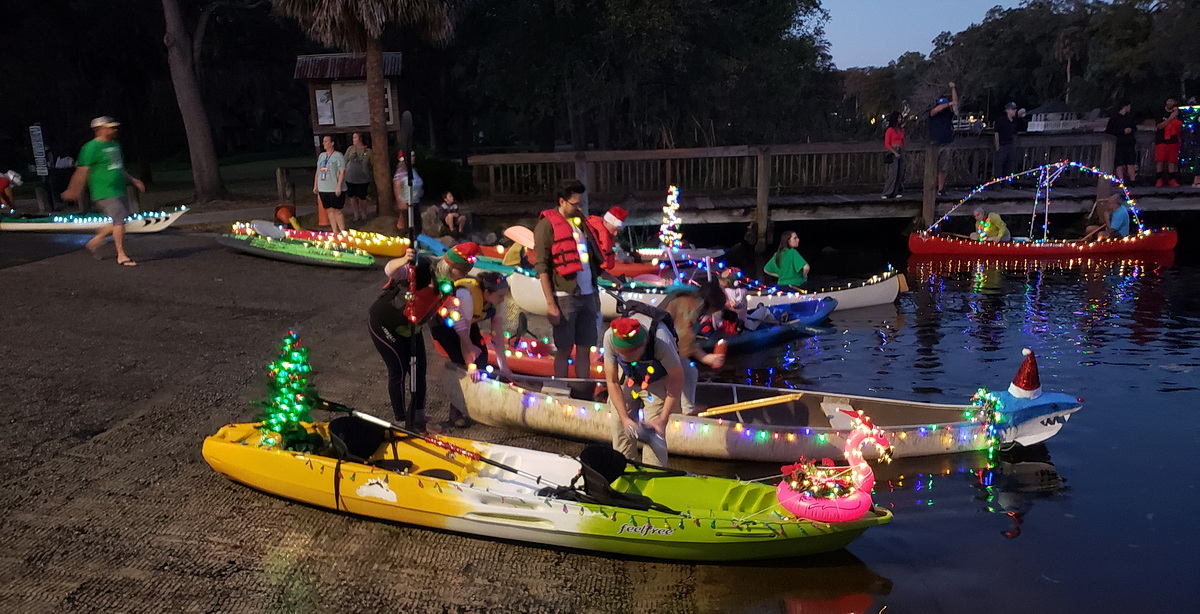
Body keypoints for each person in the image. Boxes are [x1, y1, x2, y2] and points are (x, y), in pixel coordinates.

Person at [534, 179, 603, 395]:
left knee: (585, 348)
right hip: (564, 296)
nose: (579, 208)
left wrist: (597, 293)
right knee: (563, 348)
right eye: (575, 204)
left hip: (588, 294)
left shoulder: (579, 223)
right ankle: (560, 392)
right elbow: (542, 266)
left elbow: (591, 261)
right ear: (562, 201)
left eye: (581, 203)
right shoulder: (547, 225)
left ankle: (582, 392)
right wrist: (550, 303)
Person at [60, 116, 146, 267]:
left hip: (118, 189)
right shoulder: (90, 148)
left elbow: (118, 168)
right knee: (119, 218)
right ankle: (121, 255)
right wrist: (74, 190)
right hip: (103, 191)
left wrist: (133, 180)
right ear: (100, 129)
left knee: (121, 221)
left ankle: (95, 241)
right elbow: (81, 171)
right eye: (111, 127)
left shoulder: (115, 146)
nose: (114, 129)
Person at [602, 316, 685, 466]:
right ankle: (624, 468)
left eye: (630, 355)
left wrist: (662, 420)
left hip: (658, 379)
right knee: (620, 426)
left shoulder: (661, 341)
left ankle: (654, 472)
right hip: (627, 377)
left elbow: (677, 379)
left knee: (655, 434)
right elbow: (612, 381)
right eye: (623, 355)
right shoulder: (610, 336)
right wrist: (625, 418)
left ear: (643, 345)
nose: (627, 358)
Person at [368, 249, 433, 428]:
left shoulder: (447, 286)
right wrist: (405, 259)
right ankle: (401, 418)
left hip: (410, 326)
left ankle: (418, 417)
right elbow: (389, 270)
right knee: (399, 369)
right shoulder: (415, 271)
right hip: (384, 323)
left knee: (419, 370)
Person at [655, 282, 728, 415]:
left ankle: (687, 408)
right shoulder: (692, 305)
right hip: (660, 344)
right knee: (686, 373)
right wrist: (706, 358)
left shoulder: (690, 300)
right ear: (711, 304)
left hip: (664, 342)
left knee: (689, 371)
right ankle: (686, 411)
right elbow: (684, 337)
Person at [583, 206, 632, 285]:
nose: (615, 234)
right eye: (614, 230)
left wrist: (615, 280)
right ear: (606, 222)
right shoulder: (589, 238)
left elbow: (597, 268)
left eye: (617, 231)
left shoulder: (599, 237)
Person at [929, 82, 959, 195]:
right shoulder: (933, 113)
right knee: (932, 168)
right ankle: (930, 188)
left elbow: (955, 103)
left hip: (946, 143)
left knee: (943, 168)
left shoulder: (948, 114)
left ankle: (940, 189)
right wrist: (948, 104)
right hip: (934, 144)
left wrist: (953, 88)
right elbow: (936, 110)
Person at [313, 135, 347, 234]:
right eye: (323, 141)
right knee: (329, 210)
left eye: (326, 141)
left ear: (332, 143)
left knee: (338, 210)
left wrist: (339, 186)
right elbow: (318, 171)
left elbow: (342, 171)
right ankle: (334, 230)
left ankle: (342, 230)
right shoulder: (322, 156)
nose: (324, 143)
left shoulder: (338, 155)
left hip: (334, 187)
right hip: (323, 187)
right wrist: (316, 185)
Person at [1105, 101, 1138, 185]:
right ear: (1125, 107)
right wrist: (1122, 131)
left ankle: (1133, 181)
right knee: (1119, 163)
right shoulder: (1114, 118)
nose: (1130, 108)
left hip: (1129, 143)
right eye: (1129, 106)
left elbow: (1134, 127)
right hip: (1119, 143)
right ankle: (1121, 181)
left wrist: (1131, 129)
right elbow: (1109, 131)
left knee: (1130, 162)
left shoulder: (1130, 117)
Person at [343, 132, 373, 222]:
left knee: (362, 197)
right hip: (350, 177)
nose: (353, 140)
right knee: (352, 196)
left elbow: (372, 164)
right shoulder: (350, 149)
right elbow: (344, 161)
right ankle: (356, 214)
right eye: (353, 138)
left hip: (363, 178)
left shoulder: (368, 151)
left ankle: (364, 213)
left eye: (355, 138)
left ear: (360, 139)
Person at [1153, 98, 1182, 187]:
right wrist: (1171, 118)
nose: (1170, 103)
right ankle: (1159, 179)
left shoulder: (1178, 114)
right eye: (1169, 101)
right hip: (1161, 139)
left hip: (1173, 140)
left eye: (1172, 101)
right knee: (1160, 160)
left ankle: (1172, 179)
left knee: (1172, 161)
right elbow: (1159, 126)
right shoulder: (1160, 112)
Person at [393, 152, 423, 230]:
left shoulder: (413, 170)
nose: (414, 158)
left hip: (415, 202)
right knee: (407, 226)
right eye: (412, 156)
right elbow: (397, 186)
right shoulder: (401, 172)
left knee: (417, 226)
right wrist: (400, 200)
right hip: (406, 203)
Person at [881, 111, 905, 199]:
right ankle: (887, 192)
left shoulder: (902, 129)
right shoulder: (890, 130)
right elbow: (887, 144)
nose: (900, 120)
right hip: (893, 150)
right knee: (893, 172)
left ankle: (896, 191)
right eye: (898, 118)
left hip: (901, 149)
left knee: (900, 172)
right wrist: (894, 152)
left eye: (901, 118)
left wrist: (903, 150)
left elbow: (903, 141)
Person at [993, 102, 1020, 178]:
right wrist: (997, 146)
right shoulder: (1001, 120)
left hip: (1011, 144)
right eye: (1012, 109)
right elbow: (996, 133)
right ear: (1007, 110)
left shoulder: (1014, 121)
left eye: (1015, 109)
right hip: (1002, 145)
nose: (1014, 111)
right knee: (999, 166)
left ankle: (1007, 183)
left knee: (1010, 165)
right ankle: (997, 183)